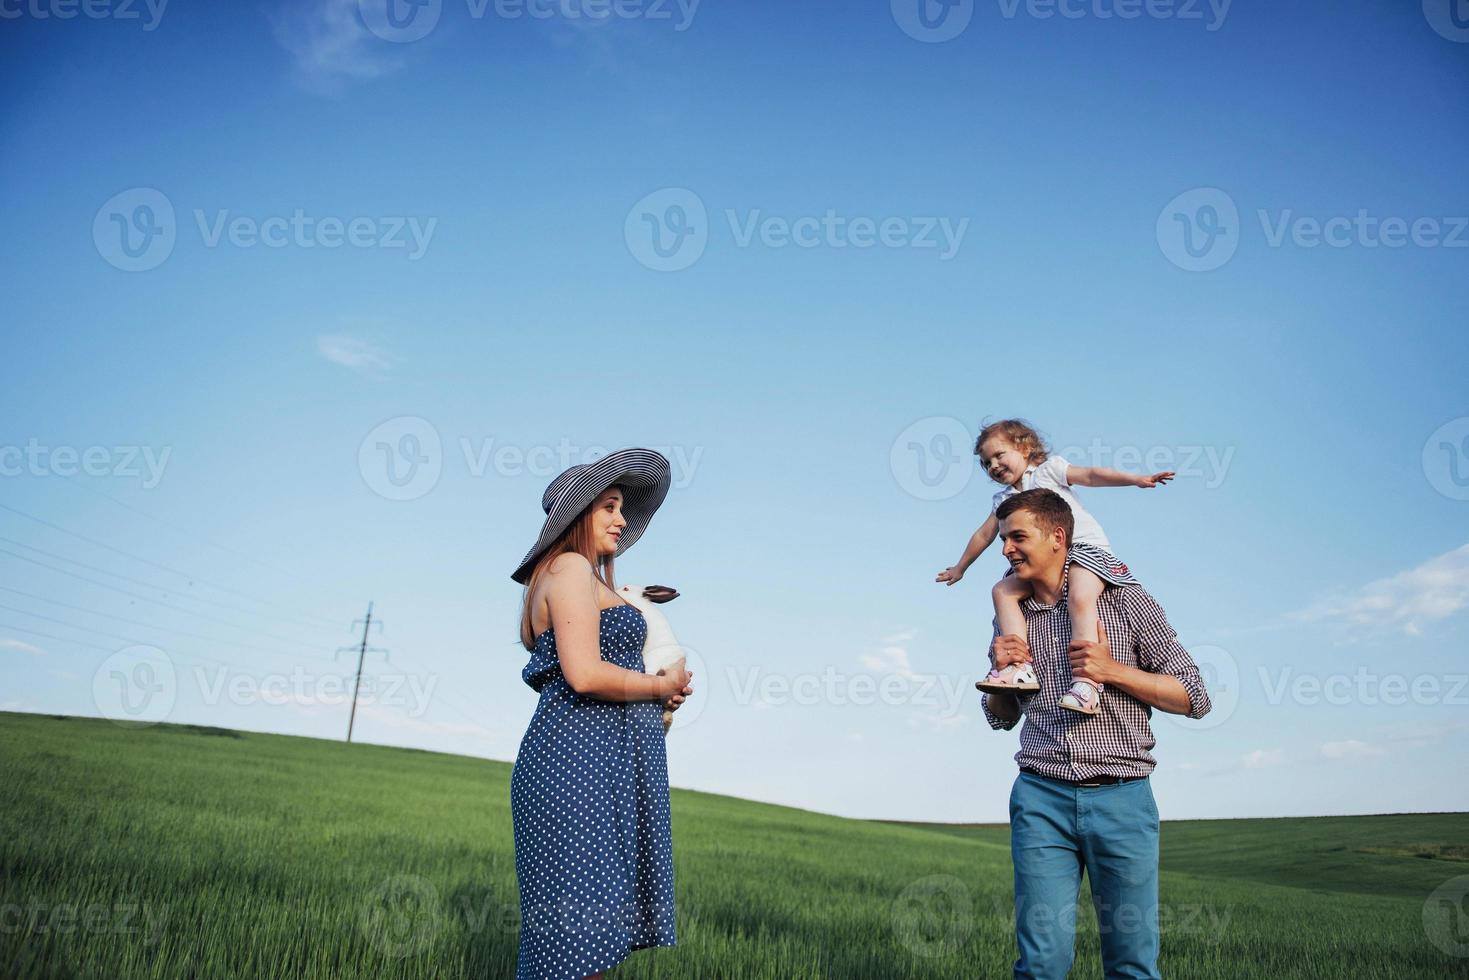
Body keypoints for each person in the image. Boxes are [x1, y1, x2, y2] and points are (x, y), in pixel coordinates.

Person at [980, 488, 1211, 979]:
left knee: (1131, 963)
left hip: (1122, 800)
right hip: (1041, 797)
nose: (1006, 550)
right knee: (1040, 963)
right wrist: (1001, 671)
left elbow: (1195, 697)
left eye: (1018, 537)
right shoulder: (1012, 616)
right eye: (1003, 540)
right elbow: (1001, 716)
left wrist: (1112, 671)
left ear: (1058, 537)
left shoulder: (1124, 602)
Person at [509, 448, 694, 980]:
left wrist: (659, 702)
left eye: (621, 508)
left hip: (603, 766)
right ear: (577, 515)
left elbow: (611, 683)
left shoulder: (591, 581)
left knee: (591, 947)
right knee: (576, 947)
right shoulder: (567, 568)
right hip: (576, 768)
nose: (620, 519)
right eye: (608, 506)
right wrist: (656, 684)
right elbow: (585, 674)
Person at [937, 419, 1173, 713]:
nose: (993, 466)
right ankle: (1018, 667)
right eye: (986, 463)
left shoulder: (1049, 471)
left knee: (1079, 596)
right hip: (1044, 563)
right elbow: (984, 535)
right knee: (1002, 591)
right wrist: (961, 567)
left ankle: (1087, 683)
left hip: (1085, 551)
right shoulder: (1003, 501)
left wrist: (1136, 479)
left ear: (1024, 448)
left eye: (999, 455)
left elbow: (1091, 475)